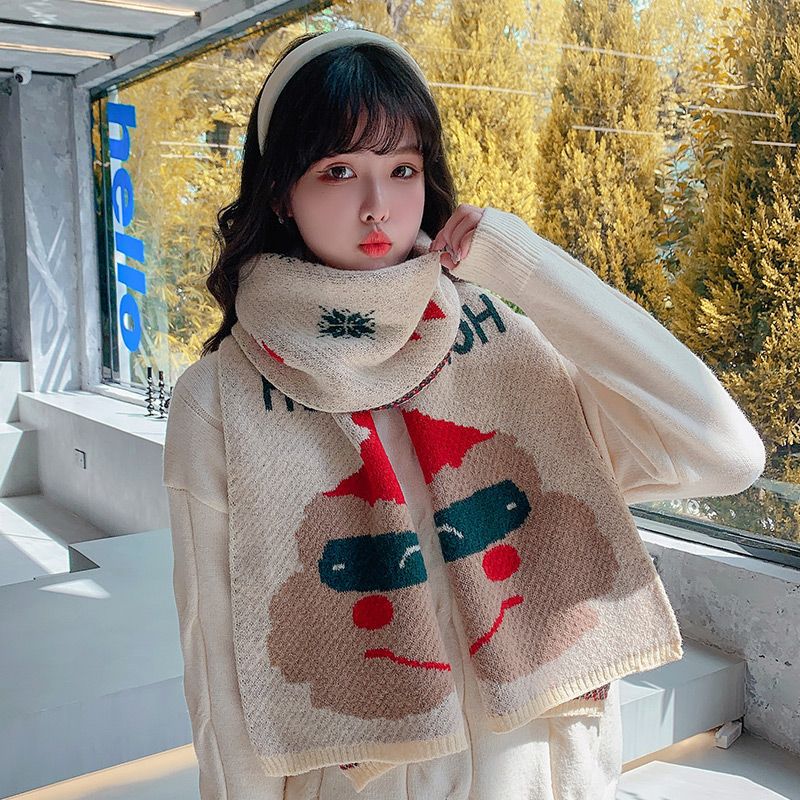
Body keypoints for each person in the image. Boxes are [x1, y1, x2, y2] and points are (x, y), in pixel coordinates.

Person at [162, 28, 766, 800]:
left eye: (402, 168)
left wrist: (527, 270)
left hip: (547, 776)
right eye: (338, 170)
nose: (377, 206)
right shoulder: (220, 400)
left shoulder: (501, 340)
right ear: (282, 192)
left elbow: (723, 452)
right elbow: (221, 684)